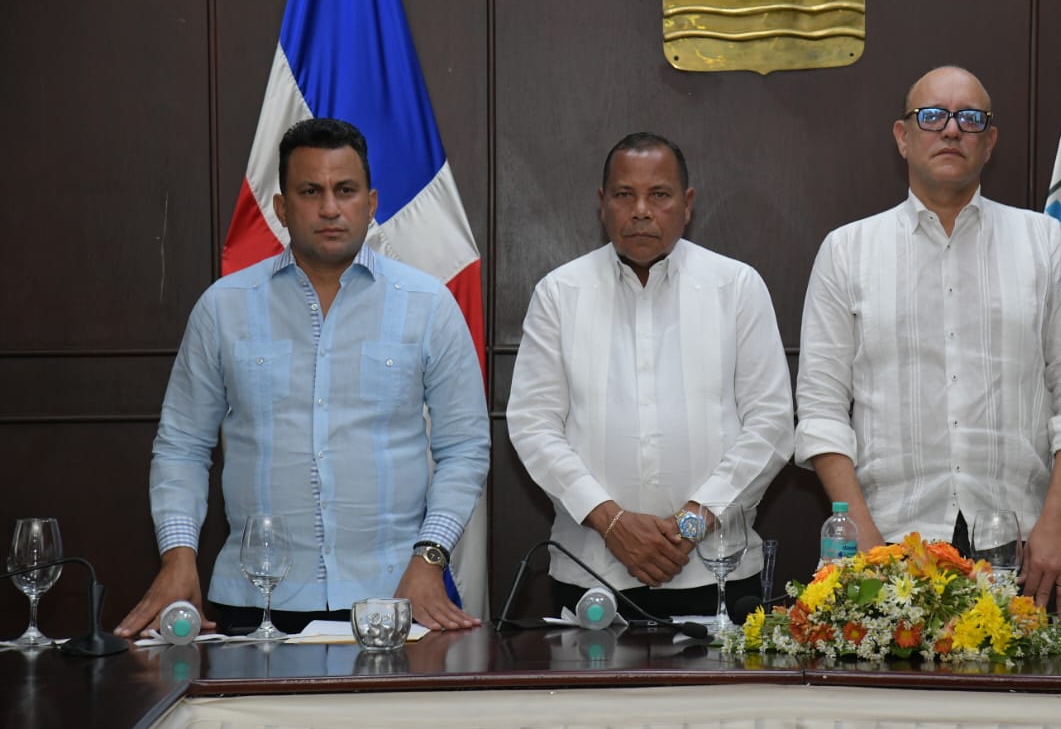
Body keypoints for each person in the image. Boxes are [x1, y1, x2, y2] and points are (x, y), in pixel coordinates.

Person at [115, 118, 489, 638]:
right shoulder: (224, 307)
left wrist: (430, 558)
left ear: (371, 203)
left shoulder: (429, 305)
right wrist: (178, 556)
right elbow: (182, 446)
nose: (330, 208)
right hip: (256, 601)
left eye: (346, 190)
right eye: (311, 192)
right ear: (281, 207)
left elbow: (465, 448)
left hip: (394, 597)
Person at [794, 66, 1061, 614]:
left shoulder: (1045, 243)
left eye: (970, 118)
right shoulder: (847, 252)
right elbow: (821, 412)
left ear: (989, 142)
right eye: (932, 116)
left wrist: (1059, 520)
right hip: (890, 544)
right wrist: (862, 536)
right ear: (902, 137)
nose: (950, 130)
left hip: (1024, 548)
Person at [506, 132, 793, 619]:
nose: (641, 210)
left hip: (715, 571)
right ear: (603, 204)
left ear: (687, 204)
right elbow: (534, 426)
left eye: (659, 195)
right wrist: (612, 523)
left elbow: (771, 425)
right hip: (592, 572)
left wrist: (691, 524)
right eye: (625, 195)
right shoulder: (560, 293)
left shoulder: (736, 287)